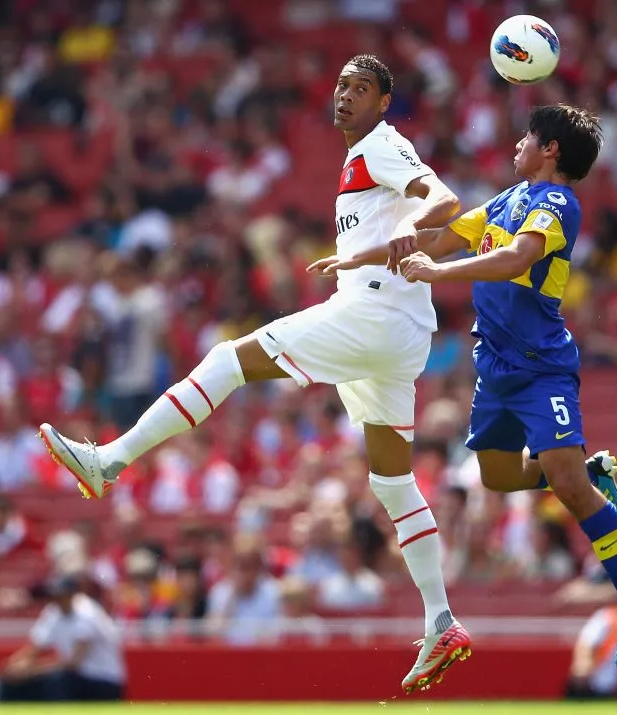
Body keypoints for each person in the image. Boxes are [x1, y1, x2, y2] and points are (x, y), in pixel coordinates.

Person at [38, 54, 470, 693]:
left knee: (227, 360)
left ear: (384, 102)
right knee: (391, 480)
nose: (346, 95)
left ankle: (110, 460)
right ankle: (441, 620)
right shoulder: (361, 159)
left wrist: (411, 224)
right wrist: (397, 243)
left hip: (373, 315)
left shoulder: (382, 145)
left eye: (362, 88)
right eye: (341, 85)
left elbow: (445, 200)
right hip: (397, 330)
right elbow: (432, 225)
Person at [315, 104, 617, 667]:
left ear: (550, 149)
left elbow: (515, 258)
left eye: (529, 136)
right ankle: (586, 473)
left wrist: (436, 273)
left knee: (569, 489)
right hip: (494, 367)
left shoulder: (556, 203)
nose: (518, 143)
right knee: (498, 477)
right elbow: (439, 238)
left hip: (540, 367)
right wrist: (357, 259)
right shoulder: (505, 200)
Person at [0, 575, 125, 702]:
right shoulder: (53, 612)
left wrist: (31, 671)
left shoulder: (87, 613)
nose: (57, 599)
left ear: (72, 594)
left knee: (57, 681)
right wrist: (15, 666)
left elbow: (74, 663)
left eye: (61, 595)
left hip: (102, 680)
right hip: (75, 679)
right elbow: (35, 648)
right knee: (14, 684)